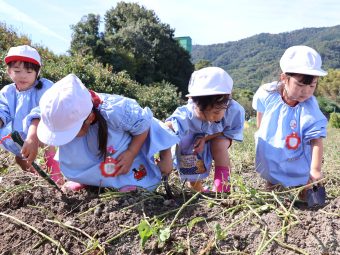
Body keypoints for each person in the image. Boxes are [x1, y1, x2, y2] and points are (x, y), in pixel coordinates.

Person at [36, 74, 179, 192]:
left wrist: (131, 153)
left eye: (69, 131)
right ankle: (88, 181)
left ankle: (126, 183)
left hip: (120, 154)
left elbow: (145, 125)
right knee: (74, 155)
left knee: (133, 178)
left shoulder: (115, 110)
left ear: (89, 118)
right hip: (89, 153)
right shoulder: (55, 109)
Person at [252, 45, 328, 193]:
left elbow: (316, 139)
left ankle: (303, 192)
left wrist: (315, 169)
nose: (305, 91)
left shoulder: (309, 105)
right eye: (299, 85)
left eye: (312, 86)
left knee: (302, 178)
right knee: (272, 177)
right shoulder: (267, 94)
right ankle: (272, 191)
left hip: (297, 150)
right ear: (284, 78)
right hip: (271, 147)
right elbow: (260, 117)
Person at [165, 67, 245, 192]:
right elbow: (169, 126)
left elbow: (229, 131)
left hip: (219, 135)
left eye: (216, 113)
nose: (210, 118)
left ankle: (222, 186)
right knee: (190, 155)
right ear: (192, 101)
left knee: (219, 145)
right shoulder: (187, 114)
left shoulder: (234, 111)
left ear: (227, 100)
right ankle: (197, 187)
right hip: (192, 141)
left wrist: (206, 137)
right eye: (202, 114)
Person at [0, 45, 62, 184]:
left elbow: (43, 110)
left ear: (37, 72)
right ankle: (38, 178)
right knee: (21, 159)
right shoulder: (7, 92)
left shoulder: (45, 87)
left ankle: (56, 176)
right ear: (9, 71)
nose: (23, 75)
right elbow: (2, 109)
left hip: (40, 130)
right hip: (19, 135)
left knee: (48, 144)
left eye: (28, 71)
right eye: (17, 70)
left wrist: (33, 134)